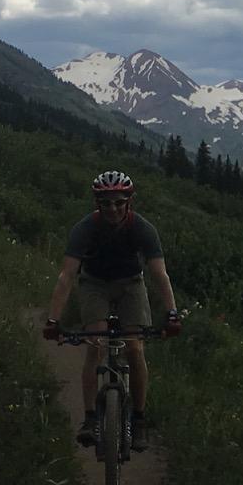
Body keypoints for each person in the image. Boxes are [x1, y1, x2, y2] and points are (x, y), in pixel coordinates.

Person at [43, 170, 181, 449]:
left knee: (135, 348)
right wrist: (52, 320)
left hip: (131, 283)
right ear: (97, 203)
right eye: (106, 203)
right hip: (94, 284)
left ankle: (138, 419)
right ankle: (91, 419)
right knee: (96, 343)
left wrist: (172, 314)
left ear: (129, 201)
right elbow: (66, 276)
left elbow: (159, 275)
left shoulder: (143, 228)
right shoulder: (85, 229)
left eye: (119, 202)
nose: (113, 209)